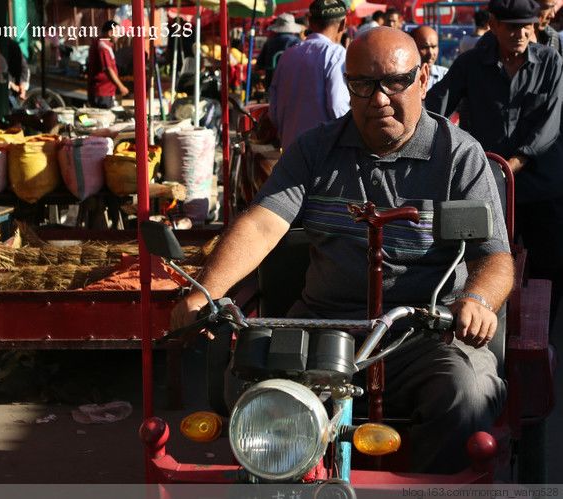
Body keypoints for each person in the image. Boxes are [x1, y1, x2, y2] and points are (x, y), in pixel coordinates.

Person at [172, 27, 513, 474]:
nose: (379, 99)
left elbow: (494, 258)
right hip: (324, 328)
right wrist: (205, 291)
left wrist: (478, 300)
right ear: (346, 85)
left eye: (395, 82)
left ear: (424, 78)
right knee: (251, 383)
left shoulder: (460, 157)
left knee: (466, 394)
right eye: (362, 85)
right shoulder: (315, 149)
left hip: (425, 334)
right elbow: (261, 225)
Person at [426, 0, 563, 319]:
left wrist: (515, 162)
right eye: (513, 26)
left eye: (527, 26)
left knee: (550, 264)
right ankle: (490, 327)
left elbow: (550, 125)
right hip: (487, 184)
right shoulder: (470, 63)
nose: (521, 33)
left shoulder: (551, 61)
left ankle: (541, 329)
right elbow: (437, 107)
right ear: (493, 24)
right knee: (485, 261)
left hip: (541, 183)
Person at [269, 0, 350, 149]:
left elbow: (273, 109)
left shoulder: (288, 54)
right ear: (343, 23)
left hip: (290, 150)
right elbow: (338, 107)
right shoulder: (336, 54)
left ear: (310, 22)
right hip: (323, 151)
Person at [258, 13, 306, 92]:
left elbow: (260, 65)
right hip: (293, 83)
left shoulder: (269, 42)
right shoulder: (298, 42)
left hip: (271, 82)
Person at [87, 20, 128, 109]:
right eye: (117, 32)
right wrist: (121, 86)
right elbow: (108, 69)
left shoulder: (103, 44)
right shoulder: (103, 46)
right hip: (102, 92)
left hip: (103, 91)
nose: (119, 35)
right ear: (110, 33)